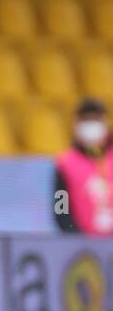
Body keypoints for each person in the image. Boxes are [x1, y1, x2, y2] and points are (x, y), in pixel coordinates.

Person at [54, 97, 113, 235]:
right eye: (86, 120)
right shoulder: (65, 163)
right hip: (83, 247)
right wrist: (75, 237)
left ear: (105, 122)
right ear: (77, 123)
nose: (91, 125)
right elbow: (60, 209)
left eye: (95, 119)